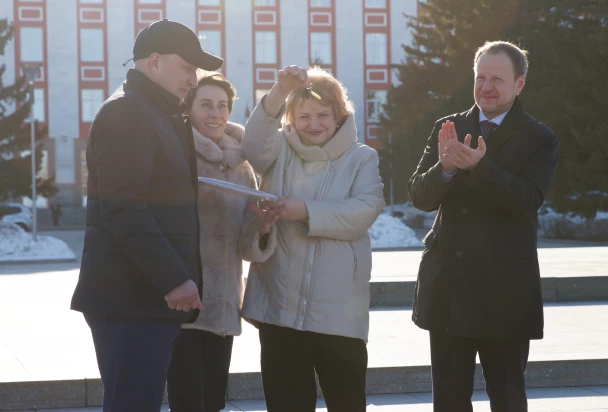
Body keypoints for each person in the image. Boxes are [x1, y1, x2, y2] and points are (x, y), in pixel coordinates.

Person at [70, 19, 223, 412]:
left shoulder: (157, 113)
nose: (194, 79)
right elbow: (124, 208)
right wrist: (174, 279)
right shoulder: (128, 113)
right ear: (154, 62)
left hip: (143, 297)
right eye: (187, 67)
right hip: (130, 300)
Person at [408, 41, 559, 411]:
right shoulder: (449, 127)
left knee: (507, 398)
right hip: (450, 286)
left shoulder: (540, 138)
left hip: (504, 291)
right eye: (480, 78)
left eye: (497, 79)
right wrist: (444, 169)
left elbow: (526, 200)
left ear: (519, 84)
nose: (486, 87)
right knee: (449, 399)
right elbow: (419, 196)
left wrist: (479, 168)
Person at [239, 65, 385, 412]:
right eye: (302, 115)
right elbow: (253, 145)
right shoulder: (278, 152)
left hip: (339, 315)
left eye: (323, 114)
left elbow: (364, 210)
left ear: (340, 114)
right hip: (280, 309)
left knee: (347, 403)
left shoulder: (362, 158)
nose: (313, 123)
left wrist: (305, 210)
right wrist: (277, 93)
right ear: (289, 117)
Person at [166, 71, 256, 412]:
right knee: (188, 400)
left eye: (222, 105)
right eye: (206, 105)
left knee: (214, 401)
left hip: (224, 304)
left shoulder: (241, 166)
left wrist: (261, 225)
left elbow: (248, 245)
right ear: (190, 109)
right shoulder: (176, 154)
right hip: (183, 301)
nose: (215, 113)